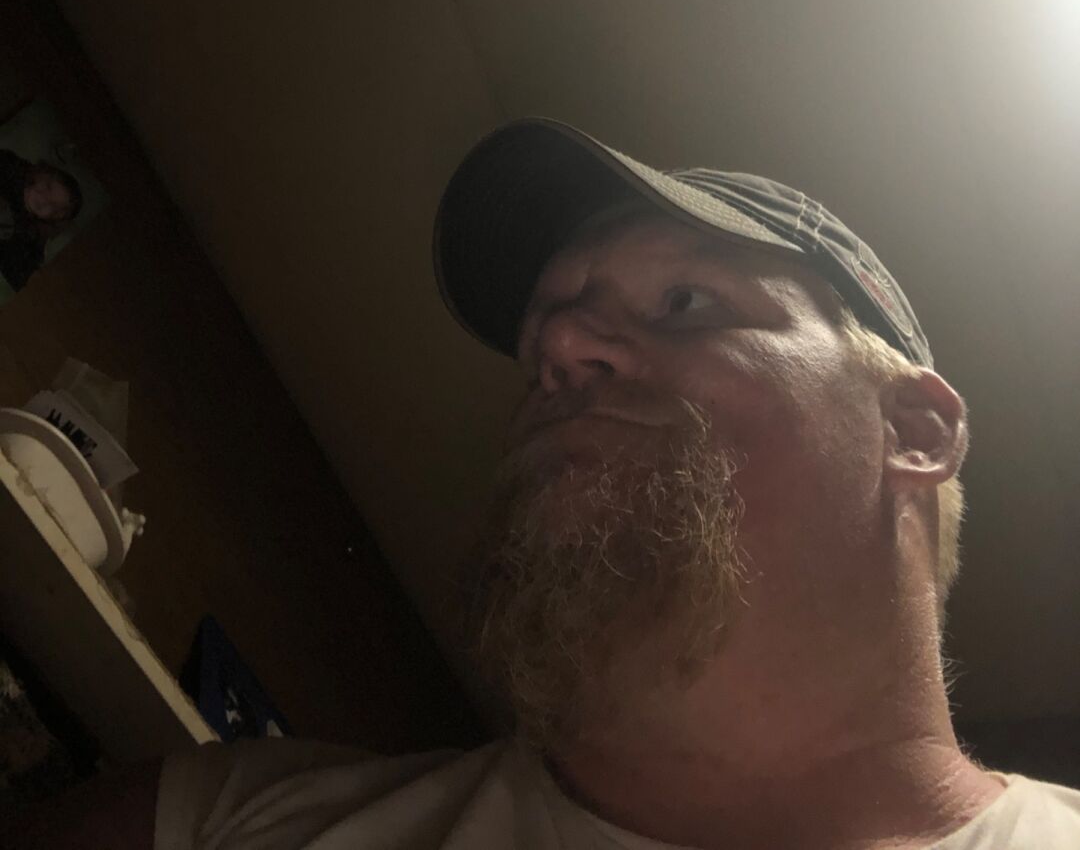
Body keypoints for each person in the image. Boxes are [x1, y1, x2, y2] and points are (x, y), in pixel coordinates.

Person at [11, 119, 1080, 848]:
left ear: (914, 428)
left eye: (685, 303)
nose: (559, 345)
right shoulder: (217, 821)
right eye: (540, 342)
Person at [0, 149, 83, 290]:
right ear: (44, 175)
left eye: (54, 206)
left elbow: (18, 274)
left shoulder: (30, 239)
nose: (44, 199)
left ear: (54, 219)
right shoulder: (10, 168)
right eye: (48, 187)